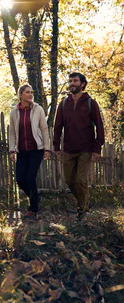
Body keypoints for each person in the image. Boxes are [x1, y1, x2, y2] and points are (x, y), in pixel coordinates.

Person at [53, 72, 104, 220]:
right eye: (70, 81)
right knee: (69, 180)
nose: (72, 84)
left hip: (86, 149)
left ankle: (82, 210)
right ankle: (85, 202)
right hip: (68, 149)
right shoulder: (63, 104)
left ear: (82, 84)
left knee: (81, 180)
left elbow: (99, 127)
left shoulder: (90, 103)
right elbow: (57, 126)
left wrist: (97, 148)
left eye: (75, 81)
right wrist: (56, 147)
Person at [9, 83, 51, 220]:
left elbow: (44, 129)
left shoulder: (38, 109)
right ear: (21, 95)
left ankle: (33, 209)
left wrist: (47, 148)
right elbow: (12, 133)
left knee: (30, 177)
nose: (30, 94)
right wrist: (12, 150)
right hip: (22, 151)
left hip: (36, 149)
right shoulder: (14, 112)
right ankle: (36, 198)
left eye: (31, 92)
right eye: (27, 92)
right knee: (20, 179)